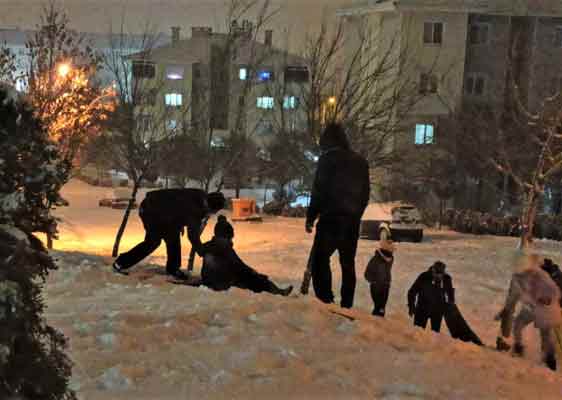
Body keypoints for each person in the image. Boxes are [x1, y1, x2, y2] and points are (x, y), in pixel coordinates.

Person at [305, 123, 370, 308]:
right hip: (351, 222)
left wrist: (311, 216)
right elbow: (365, 195)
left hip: (330, 219)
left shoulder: (327, 160)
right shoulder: (361, 162)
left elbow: (319, 191)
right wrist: (356, 215)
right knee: (348, 264)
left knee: (320, 259)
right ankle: (347, 304)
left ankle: (326, 299)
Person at [112, 189, 225, 280]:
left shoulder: (201, 195)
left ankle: (173, 269)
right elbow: (193, 237)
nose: (212, 214)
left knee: (173, 237)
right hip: (150, 210)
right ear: (209, 206)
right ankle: (120, 263)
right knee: (153, 242)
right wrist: (203, 253)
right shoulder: (195, 209)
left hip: (166, 215)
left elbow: (178, 206)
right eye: (213, 211)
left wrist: (179, 223)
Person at [495, 255, 561, 371]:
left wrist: (547, 300)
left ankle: (550, 361)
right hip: (532, 308)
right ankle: (519, 348)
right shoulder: (518, 278)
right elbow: (514, 297)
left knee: (545, 335)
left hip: (545, 310)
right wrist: (505, 310)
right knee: (518, 324)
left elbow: (555, 291)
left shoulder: (540, 275)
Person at [201, 215, 293, 296]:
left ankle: (276, 290)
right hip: (223, 283)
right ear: (224, 236)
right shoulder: (224, 248)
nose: (230, 240)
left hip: (210, 281)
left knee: (251, 276)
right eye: (229, 238)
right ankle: (278, 292)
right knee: (256, 280)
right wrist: (253, 273)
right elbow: (238, 265)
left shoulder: (209, 245)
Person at [407, 261, 455, 332]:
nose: (438, 276)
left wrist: (450, 308)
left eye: (440, 274)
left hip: (437, 310)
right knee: (418, 333)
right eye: (436, 273)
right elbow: (412, 292)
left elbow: (450, 294)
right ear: (433, 270)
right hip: (422, 308)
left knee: (435, 334)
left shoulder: (446, 279)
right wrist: (411, 306)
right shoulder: (424, 276)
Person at [364, 239, 395, 317]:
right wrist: (373, 280)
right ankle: (376, 319)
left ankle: (380, 317)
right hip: (376, 286)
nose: (392, 253)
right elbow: (367, 273)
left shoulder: (390, 259)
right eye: (390, 251)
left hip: (385, 285)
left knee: (382, 306)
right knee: (378, 305)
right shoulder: (375, 260)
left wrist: (387, 280)